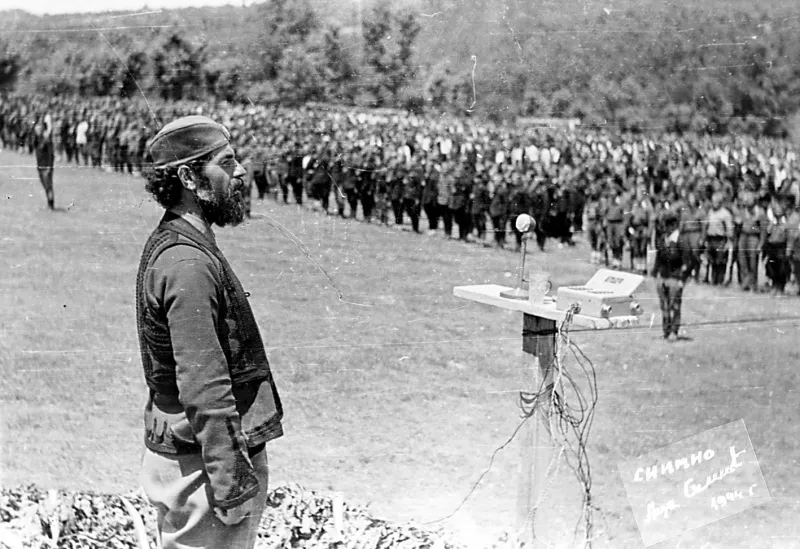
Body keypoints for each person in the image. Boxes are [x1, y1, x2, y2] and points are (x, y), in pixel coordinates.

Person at [136, 116, 283, 549]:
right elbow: (203, 385)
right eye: (227, 162)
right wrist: (230, 483)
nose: (241, 172)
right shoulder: (188, 264)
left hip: (196, 460)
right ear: (188, 178)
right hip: (202, 470)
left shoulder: (183, 245)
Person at [652, 211, 691, 341]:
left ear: (674, 225)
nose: (666, 228)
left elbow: (687, 261)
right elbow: (659, 256)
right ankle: (666, 330)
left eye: (668, 224)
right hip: (663, 276)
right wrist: (655, 272)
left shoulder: (680, 240)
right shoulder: (664, 239)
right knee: (664, 306)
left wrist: (682, 279)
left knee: (674, 305)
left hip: (675, 277)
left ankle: (674, 330)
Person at [33, 113, 55, 210]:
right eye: (36, 128)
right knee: (45, 186)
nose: (37, 130)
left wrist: (49, 168)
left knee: (49, 186)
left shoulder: (47, 140)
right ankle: (49, 203)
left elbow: (51, 155)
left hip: (46, 167)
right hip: (40, 167)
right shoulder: (37, 140)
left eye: (39, 128)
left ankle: (51, 205)